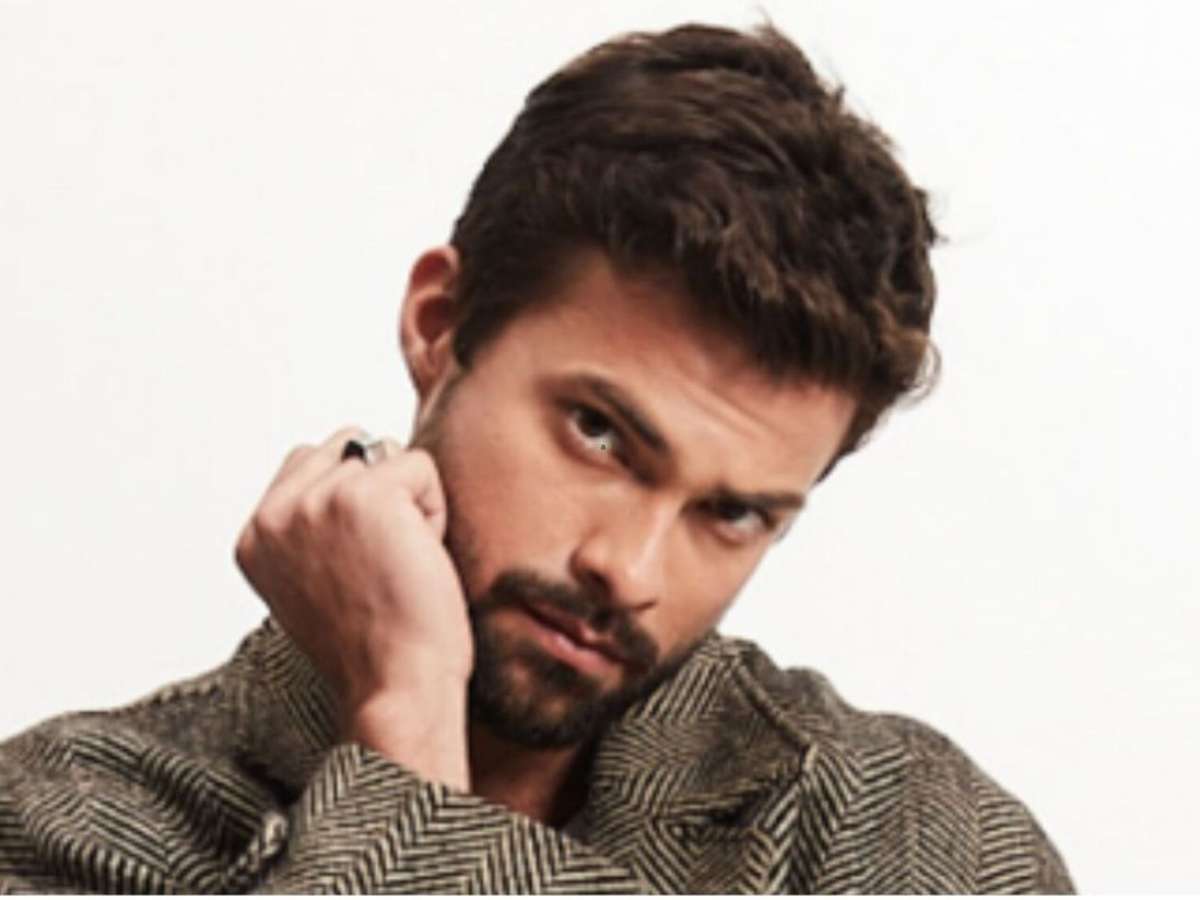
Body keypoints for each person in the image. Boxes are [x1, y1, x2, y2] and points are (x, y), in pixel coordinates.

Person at [0, 21, 1073, 894]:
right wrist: (408, 707)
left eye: (732, 513)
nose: (630, 570)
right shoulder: (62, 823)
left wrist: (408, 757)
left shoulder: (913, 837)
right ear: (439, 323)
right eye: (598, 433)